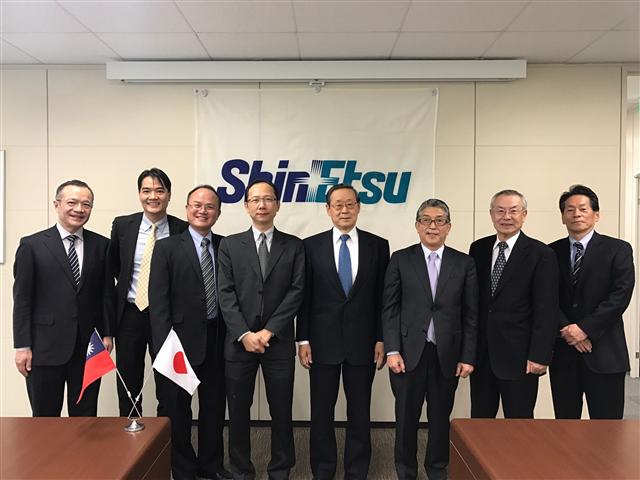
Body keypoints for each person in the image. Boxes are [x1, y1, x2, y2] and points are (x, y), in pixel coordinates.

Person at [297, 184, 389, 480]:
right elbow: (304, 297)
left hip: (364, 343)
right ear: (328, 209)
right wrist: (303, 338)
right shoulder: (310, 246)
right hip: (321, 343)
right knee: (321, 413)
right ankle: (322, 471)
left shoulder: (378, 245)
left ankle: (356, 471)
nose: (344, 210)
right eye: (337, 205)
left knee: (360, 413)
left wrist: (381, 337)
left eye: (350, 204)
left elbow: (382, 299)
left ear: (359, 207)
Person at [383, 198, 478, 480]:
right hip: (408, 353)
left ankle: (437, 468)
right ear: (416, 225)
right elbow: (390, 308)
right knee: (406, 418)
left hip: (446, 354)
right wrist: (391, 350)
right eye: (426, 220)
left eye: (439, 220)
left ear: (448, 227)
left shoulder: (464, 263)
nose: (432, 226)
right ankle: (405, 471)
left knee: (439, 419)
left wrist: (468, 355)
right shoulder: (400, 259)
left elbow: (471, 314)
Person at [218, 179, 305, 480]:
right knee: (238, 412)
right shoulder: (229, 245)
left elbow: (296, 292)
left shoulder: (294, 246)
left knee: (281, 411)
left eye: (268, 199)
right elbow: (225, 293)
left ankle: (280, 469)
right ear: (246, 206)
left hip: (277, 342)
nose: (262, 205)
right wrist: (245, 334)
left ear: (278, 205)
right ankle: (242, 469)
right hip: (238, 342)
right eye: (255, 200)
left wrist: (268, 331)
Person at [13, 179, 114, 416]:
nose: (79, 209)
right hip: (44, 348)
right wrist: (22, 346)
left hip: (89, 347)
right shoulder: (32, 245)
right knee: (45, 419)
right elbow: (23, 300)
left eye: (86, 204)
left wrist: (107, 333)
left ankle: (83, 456)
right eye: (72, 202)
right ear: (56, 204)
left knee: (86, 418)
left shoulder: (102, 245)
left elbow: (107, 293)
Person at [149, 185, 230, 480]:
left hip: (218, 340)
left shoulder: (226, 246)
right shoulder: (168, 247)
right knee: (176, 410)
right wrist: (164, 346)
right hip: (178, 343)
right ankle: (182, 468)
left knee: (213, 408)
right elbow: (158, 301)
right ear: (186, 209)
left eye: (210, 206)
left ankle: (211, 465)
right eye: (197, 205)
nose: (203, 210)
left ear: (218, 213)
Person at [468, 189, 558, 419]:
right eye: (500, 211)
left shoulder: (541, 253)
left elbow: (546, 309)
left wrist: (540, 355)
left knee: (519, 423)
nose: (506, 216)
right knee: (480, 421)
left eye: (513, 211)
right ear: (491, 214)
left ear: (524, 214)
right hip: (482, 355)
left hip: (521, 357)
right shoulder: (477, 249)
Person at [549, 184, 635, 419]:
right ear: (563, 216)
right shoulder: (549, 252)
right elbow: (545, 298)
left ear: (596, 214)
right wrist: (568, 331)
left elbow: (620, 295)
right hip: (564, 354)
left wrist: (584, 329)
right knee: (565, 429)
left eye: (583, 209)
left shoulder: (618, 249)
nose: (576, 214)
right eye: (570, 209)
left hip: (605, 352)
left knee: (607, 430)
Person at [108, 168, 187, 417]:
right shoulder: (123, 226)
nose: (153, 196)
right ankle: (130, 443)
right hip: (130, 315)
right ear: (139, 194)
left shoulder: (182, 229)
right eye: (146, 190)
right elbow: (113, 269)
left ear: (169, 195)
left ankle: (167, 444)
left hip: (166, 317)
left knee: (169, 383)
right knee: (128, 382)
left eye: (159, 190)